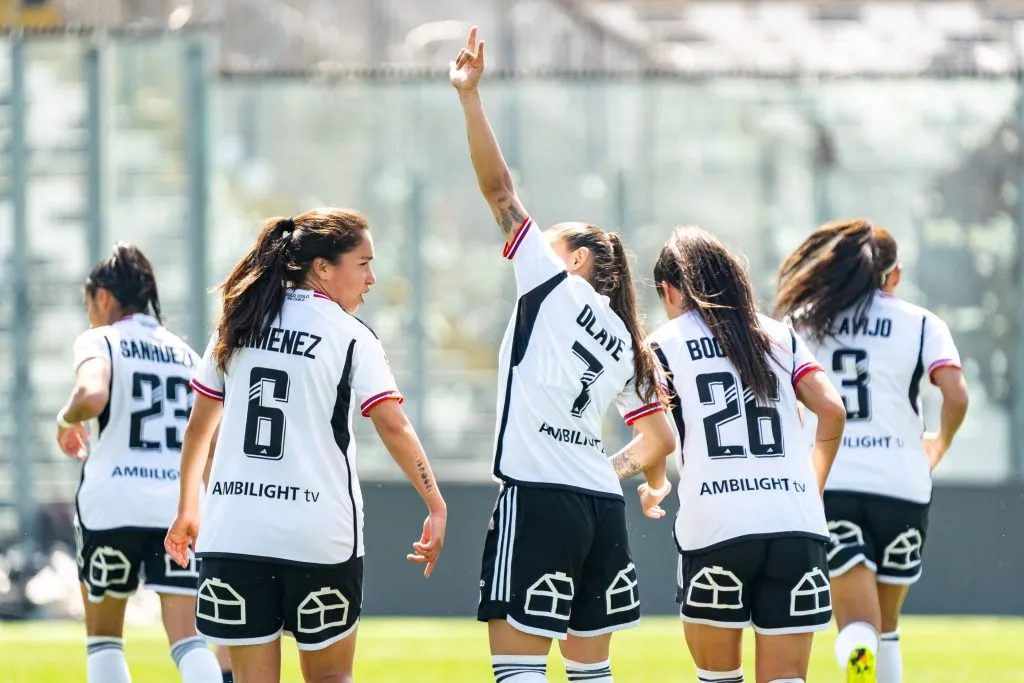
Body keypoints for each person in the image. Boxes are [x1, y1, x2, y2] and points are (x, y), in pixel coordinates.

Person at [451, 28, 677, 683]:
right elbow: (659, 437)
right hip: (598, 506)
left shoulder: (549, 284)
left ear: (575, 259)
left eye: (550, 240)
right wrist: (609, 468)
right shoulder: (628, 342)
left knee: (517, 668)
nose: (536, 243)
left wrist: (470, 99)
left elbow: (498, 191)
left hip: (541, 499)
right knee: (590, 676)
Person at [164, 208, 447, 683]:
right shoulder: (352, 336)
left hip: (234, 531)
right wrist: (435, 504)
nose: (372, 278)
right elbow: (393, 425)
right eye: (363, 263)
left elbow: (198, 430)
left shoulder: (236, 325)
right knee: (330, 678)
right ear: (322, 267)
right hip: (318, 536)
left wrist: (189, 508)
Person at [648, 226, 848, 683]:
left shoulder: (662, 343)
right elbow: (832, 410)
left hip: (718, 527)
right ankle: (871, 671)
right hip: (796, 522)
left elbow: (655, 435)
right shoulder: (778, 335)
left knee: (719, 679)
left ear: (669, 290)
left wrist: (652, 482)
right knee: (809, 667)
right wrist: (810, 484)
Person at [774, 219, 969, 683]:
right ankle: (868, 668)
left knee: (859, 627)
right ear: (894, 275)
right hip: (903, 487)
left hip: (829, 484)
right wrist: (939, 442)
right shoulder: (923, 323)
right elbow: (956, 395)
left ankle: (859, 670)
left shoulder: (800, 323)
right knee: (888, 626)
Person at [56, 242, 223, 683]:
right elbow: (210, 440)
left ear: (103, 297)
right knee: (188, 638)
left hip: (112, 505)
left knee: (104, 638)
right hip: (176, 508)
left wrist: (65, 419)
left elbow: (92, 395)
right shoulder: (186, 355)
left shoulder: (101, 339)